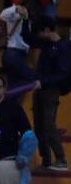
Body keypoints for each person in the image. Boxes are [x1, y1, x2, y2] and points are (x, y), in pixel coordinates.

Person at [31, 18, 70, 170]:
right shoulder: (47, 46)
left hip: (51, 90)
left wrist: (44, 82)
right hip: (40, 88)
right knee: (39, 125)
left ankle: (60, 158)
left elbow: (63, 73)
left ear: (47, 30)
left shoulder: (63, 47)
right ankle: (45, 160)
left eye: (41, 32)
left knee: (48, 124)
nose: (39, 36)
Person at [0, 3, 37, 88]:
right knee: (33, 78)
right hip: (13, 53)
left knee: (14, 85)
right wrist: (15, 8)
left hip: (20, 55)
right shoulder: (15, 16)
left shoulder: (30, 21)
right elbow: (2, 15)